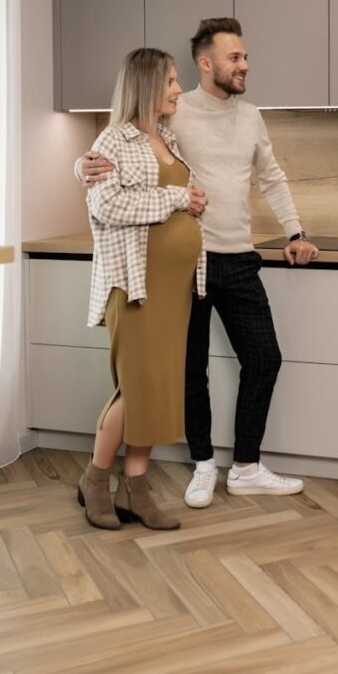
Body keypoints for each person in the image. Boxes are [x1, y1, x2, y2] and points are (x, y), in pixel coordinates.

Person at [78, 18, 318, 510]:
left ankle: (247, 466)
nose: (245, 64)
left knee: (265, 358)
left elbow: (272, 178)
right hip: (188, 268)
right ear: (205, 63)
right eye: (235, 57)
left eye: (245, 56)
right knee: (191, 369)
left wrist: (296, 232)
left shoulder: (250, 116)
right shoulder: (173, 111)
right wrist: (79, 166)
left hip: (239, 258)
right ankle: (204, 464)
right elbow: (118, 146)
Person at [78, 48, 207, 531]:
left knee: (158, 388)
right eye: (172, 81)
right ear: (148, 85)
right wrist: (179, 198)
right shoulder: (113, 140)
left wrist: (196, 202)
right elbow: (109, 206)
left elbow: (176, 202)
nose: (178, 89)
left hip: (171, 289)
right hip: (134, 284)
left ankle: (134, 488)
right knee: (136, 388)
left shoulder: (167, 137)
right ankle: (95, 481)